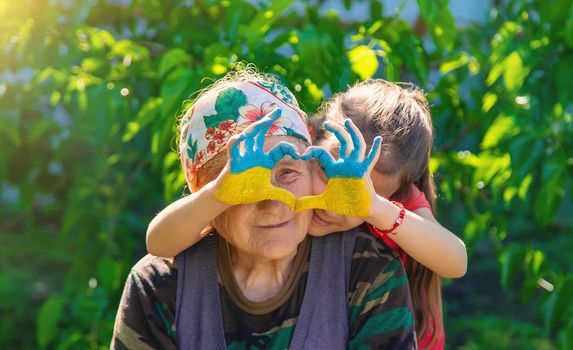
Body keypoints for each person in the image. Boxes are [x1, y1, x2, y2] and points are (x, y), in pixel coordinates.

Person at [111, 69, 417, 349]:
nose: (273, 203)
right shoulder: (160, 287)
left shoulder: (367, 273)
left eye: (287, 172)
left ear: (312, 168)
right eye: (244, 183)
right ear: (205, 194)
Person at [305, 79, 467, 349]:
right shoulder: (289, 161)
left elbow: (456, 261)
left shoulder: (395, 203)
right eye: (327, 171)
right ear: (314, 136)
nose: (332, 204)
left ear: (393, 194)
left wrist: (374, 208)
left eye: (356, 195)